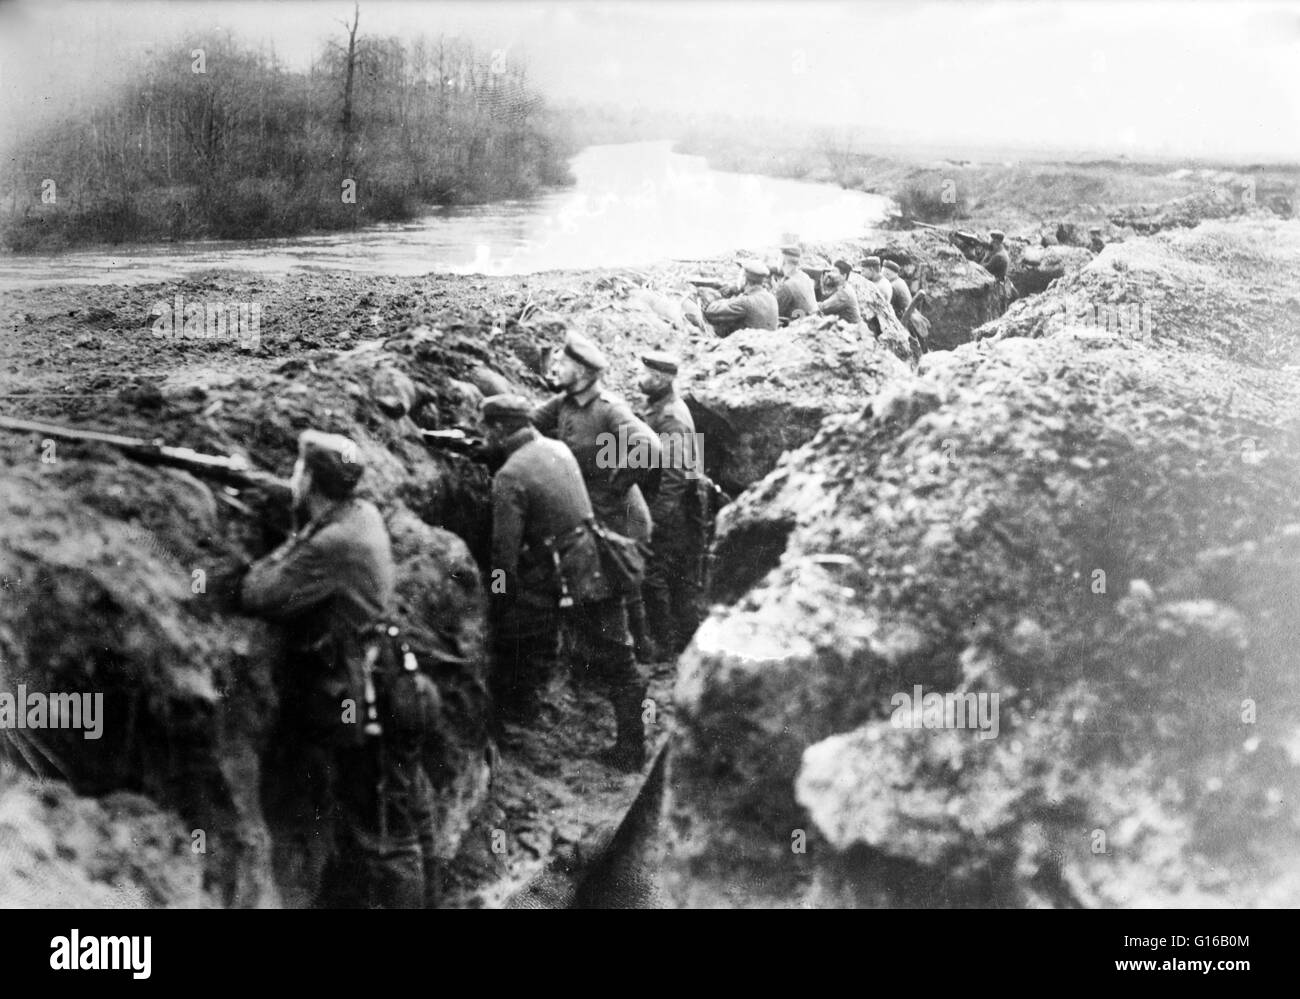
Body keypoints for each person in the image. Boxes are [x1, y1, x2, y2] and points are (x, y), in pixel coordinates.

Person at [240, 430, 440, 908]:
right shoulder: (361, 513)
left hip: (370, 694)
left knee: (384, 835)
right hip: (396, 677)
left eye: (298, 471)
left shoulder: (331, 543)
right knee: (404, 802)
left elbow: (258, 592)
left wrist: (287, 538)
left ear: (310, 479)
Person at [533, 331, 660, 664]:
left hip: (621, 516)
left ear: (585, 374)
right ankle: (623, 655)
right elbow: (527, 424)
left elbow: (649, 447)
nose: (556, 367)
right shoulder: (563, 404)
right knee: (610, 588)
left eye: (563, 363)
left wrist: (617, 485)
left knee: (620, 587)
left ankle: (637, 658)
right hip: (593, 513)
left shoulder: (608, 410)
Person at [636, 352, 707, 657]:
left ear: (662, 380)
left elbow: (675, 476)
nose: (640, 378)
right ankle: (686, 644)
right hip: (673, 506)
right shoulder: (660, 409)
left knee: (655, 575)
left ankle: (665, 648)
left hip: (674, 509)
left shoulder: (672, 419)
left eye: (646, 373)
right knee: (678, 580)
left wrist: (654, 519)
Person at [702, 259, 780, 336]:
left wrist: (719, 297)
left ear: (744, 279)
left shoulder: (745, 302)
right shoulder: (771, 298)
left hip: (747, 345)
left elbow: (711, 311)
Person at [773, 244, 817, 321]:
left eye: (778, 258)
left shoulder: (786, 286)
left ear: (783, 260)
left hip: (797, 329)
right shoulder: (805, 277)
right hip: (810, 323)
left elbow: (773, 313)